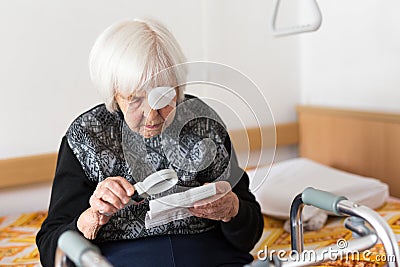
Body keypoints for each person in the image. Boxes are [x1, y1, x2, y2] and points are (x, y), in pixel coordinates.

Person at [36, 18, 263, 267]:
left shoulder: (203, 122)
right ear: (114, 94)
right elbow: (50, 249)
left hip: (210, 256)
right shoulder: (86, 136)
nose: (152, 115)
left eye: (164, 96)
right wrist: (90, 219)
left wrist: (232, 209)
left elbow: (250, 233)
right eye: (135, 100)